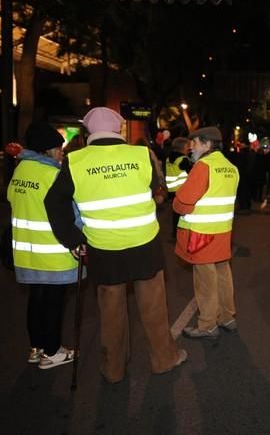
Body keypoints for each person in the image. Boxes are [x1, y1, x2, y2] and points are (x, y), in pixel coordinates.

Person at [45, 107, 187, 383]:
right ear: (118, 130)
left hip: (104, 249)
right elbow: (155, 188)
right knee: (154, 308)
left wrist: (73, 240)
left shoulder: (75, 161)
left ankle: (113, 369)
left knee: (111, 313)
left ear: (89, 132)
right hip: (144, 244)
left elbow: (54, 202)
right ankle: (164, 359)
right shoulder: (141, 154)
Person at [7, 121, 77, 370]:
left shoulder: (20, 171)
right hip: (53, 250)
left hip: (26, 251)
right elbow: (70, 213)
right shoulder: (53, 175)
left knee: (36, 300)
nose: (61, 153)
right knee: (54, 303)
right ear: (48, 150)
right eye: (59, 148)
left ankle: (36, 347)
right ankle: (53, 351)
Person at [174, 127, 240, 339]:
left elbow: (182, 203)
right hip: (223, 232)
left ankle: (207, 324)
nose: (191, 148)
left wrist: (177, 203)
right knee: (223, 275)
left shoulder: (203, 166)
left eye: (195, 143)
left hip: (201, 235)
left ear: (207, 144)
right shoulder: (231, 167)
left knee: (205, 281)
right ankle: (227, 317)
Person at [165, 137, 193, 236]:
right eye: (188, 147)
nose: (189, 149)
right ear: (183, 147)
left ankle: (174, 233)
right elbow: (192, 172)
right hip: (182, 189)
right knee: (184, 213)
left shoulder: (169, 158)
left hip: (172, 190)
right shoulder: (183, 159)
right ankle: (182, 233)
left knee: (175, 212)